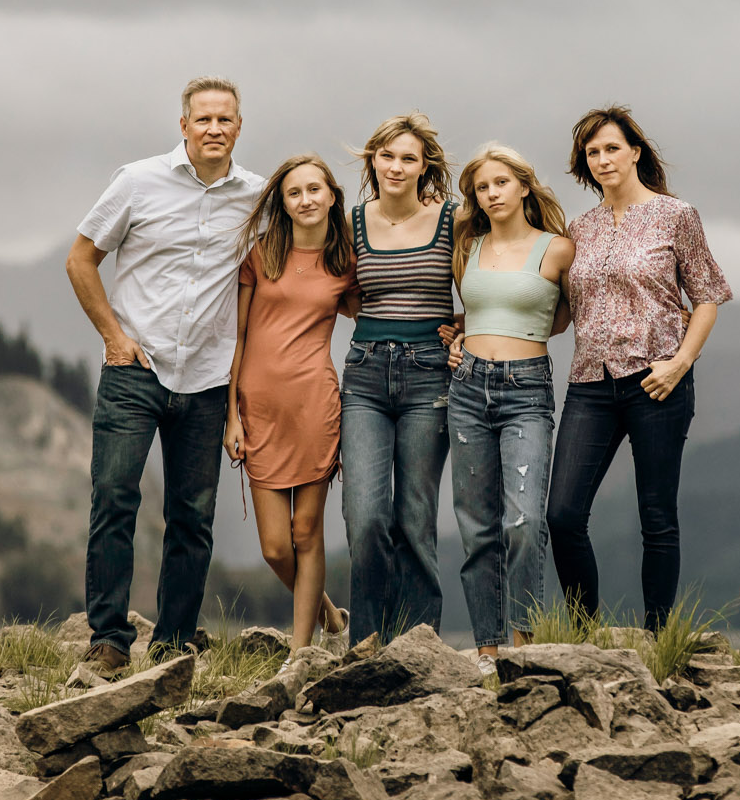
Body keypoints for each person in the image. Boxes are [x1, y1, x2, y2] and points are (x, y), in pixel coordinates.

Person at [65, 76, 263, 672]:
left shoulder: (255, 197)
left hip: (205, 377)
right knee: (114, 498)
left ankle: (175, 644)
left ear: (238, 126)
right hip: (136, 369)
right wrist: (113, 338)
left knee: (192, 516)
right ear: (183, 126)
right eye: (202, 120)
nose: (213, 129)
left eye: (224, 120)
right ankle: (107, 640)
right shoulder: (138, 181)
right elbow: (81, 260)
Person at [547, 105, 731, 631]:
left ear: (635, 152)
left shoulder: (676, 215)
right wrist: (476, 325)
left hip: (658, 382)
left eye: (611, 148)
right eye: (592, 152)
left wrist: (680, 363)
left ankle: (657, 638)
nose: (603, 159)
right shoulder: (577, 229)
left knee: (656, 517)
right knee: (562, 515)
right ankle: (584, 634)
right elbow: (559, 312)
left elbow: (708, 296)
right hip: (589, 383)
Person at [445, 145, 574, 669]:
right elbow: (475, 307)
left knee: (522, 521)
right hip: (468, 387)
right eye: (481, 187)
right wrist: (460, 335)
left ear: (524, 185)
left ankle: (524, 646)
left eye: (501, 182)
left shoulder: (558, 249)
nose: (492, 193)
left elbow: (563, 318)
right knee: (477, 527)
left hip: (526, 389)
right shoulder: (466, 245)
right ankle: (486, 649)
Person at [225, 154, 355, 654]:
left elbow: (381, 313)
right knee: (276, 547)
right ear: (283, 202)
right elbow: (235, 339)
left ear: (331, 196)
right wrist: (230, 415)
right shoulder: (261, 255)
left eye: (314, 190)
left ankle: (301, 654)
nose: (305, 200)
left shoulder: (345, 263)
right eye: (294, 192)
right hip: (259, 411)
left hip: (315, 408)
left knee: (307, 533)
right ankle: (330, 617)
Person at [339, 112, 459, 643]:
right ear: (372, 161)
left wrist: (464, 327)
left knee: (415, 518)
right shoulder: (352, 222)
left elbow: (487, 279)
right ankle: (366, 644)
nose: (395, 165)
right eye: (386, 155)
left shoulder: (453, 220)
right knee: (365, 516)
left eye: (408, 157)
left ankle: (418, 646)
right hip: (364, 372)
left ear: (424, 166)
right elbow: (340, 293)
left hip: (428, 374)